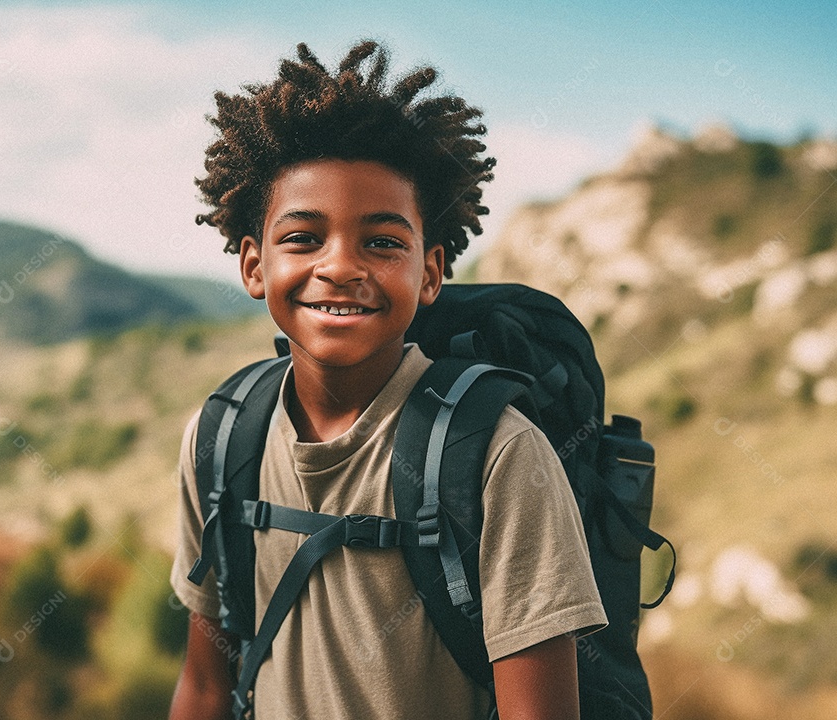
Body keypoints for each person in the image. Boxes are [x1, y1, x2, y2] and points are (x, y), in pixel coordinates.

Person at [168, 40, 607, 720]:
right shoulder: (223, 436)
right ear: (254, 265)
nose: (340, 266)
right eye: (304, 238)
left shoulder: (496, 453)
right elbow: (204, 686)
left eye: (381, 242)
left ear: (430, 272)